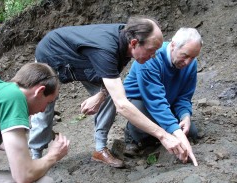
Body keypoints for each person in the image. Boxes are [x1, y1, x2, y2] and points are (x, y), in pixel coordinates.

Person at [28, 16, 191, 168]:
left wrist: (100, 96)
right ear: (134, 43)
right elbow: (122, 105)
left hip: (85, 62)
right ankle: (36, 156)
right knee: (43, 110)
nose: (154, 56)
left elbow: (112, 82)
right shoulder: (106, 49)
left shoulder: (126, 43)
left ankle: (100, 149)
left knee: (109, 96)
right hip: (52, 55)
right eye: (151, 50)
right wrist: (163, 135)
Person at [0, 63, 70, 183]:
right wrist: (53, 155)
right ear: (39, 91)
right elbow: (24, 175)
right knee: (45, 181)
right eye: (48, 102)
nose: (44, 110)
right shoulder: (13, 97)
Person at [122, 27, 202, 165]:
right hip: (141, 102)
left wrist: (185, 116)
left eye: (193, 57)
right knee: (162, 128)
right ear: (173, 46)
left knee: (191, 132)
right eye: (185, 55)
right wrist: (175, 132)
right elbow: (155, 102)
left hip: (165, 101)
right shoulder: (151, 58)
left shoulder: (190, 65)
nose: (188, 62)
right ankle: (132, 134)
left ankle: (155, 135)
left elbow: (183, 97)